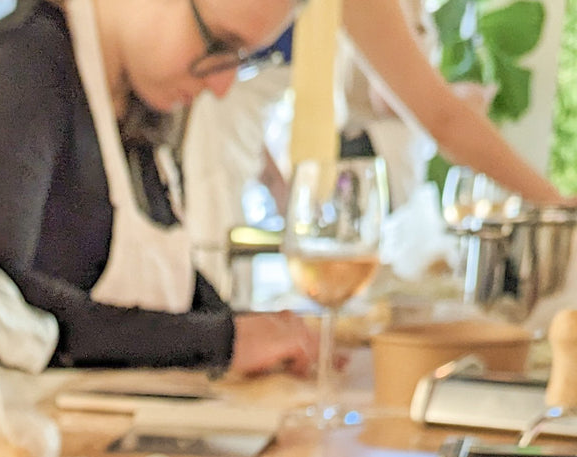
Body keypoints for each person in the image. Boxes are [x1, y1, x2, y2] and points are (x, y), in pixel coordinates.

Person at [0, 0, 319, 377]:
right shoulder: (22, 65)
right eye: (217, 44)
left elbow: (166, 283)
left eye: (242, 58)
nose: (222, 86)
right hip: (8, 437)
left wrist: (249, 327)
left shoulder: (137, 95)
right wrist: (221, 340)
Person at [183, 0, 567, 290]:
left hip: (233, 151)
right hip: (187, 142)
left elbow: (436, 114)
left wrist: (276, 180)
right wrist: (559, 207)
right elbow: (441, 118)